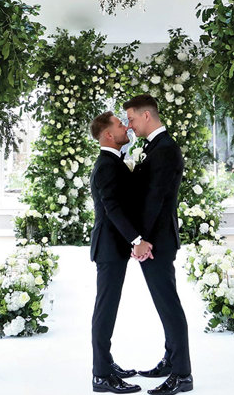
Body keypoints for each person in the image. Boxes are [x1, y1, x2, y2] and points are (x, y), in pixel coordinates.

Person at [124, 94, 193, 395]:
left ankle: (182, 374)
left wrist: (143, 239)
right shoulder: (157, 147)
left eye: (132, 119)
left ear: (147, 116)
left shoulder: (164, 150)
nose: (130, 125)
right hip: (158, 237)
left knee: (169, 305)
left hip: (158, 240)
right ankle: (171, 359)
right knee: (164, 303)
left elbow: (157, 199)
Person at [89, 111, 145, 394]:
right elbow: (112, 209)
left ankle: (106, 364)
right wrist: (136, 239)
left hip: (112, 246)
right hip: (110, 247)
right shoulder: (107, 166)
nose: (127, 127)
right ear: (108, 134)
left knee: (107, 308)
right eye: (121, 124)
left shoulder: (111, 162)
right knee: (105, 311)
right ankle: (101, 375)